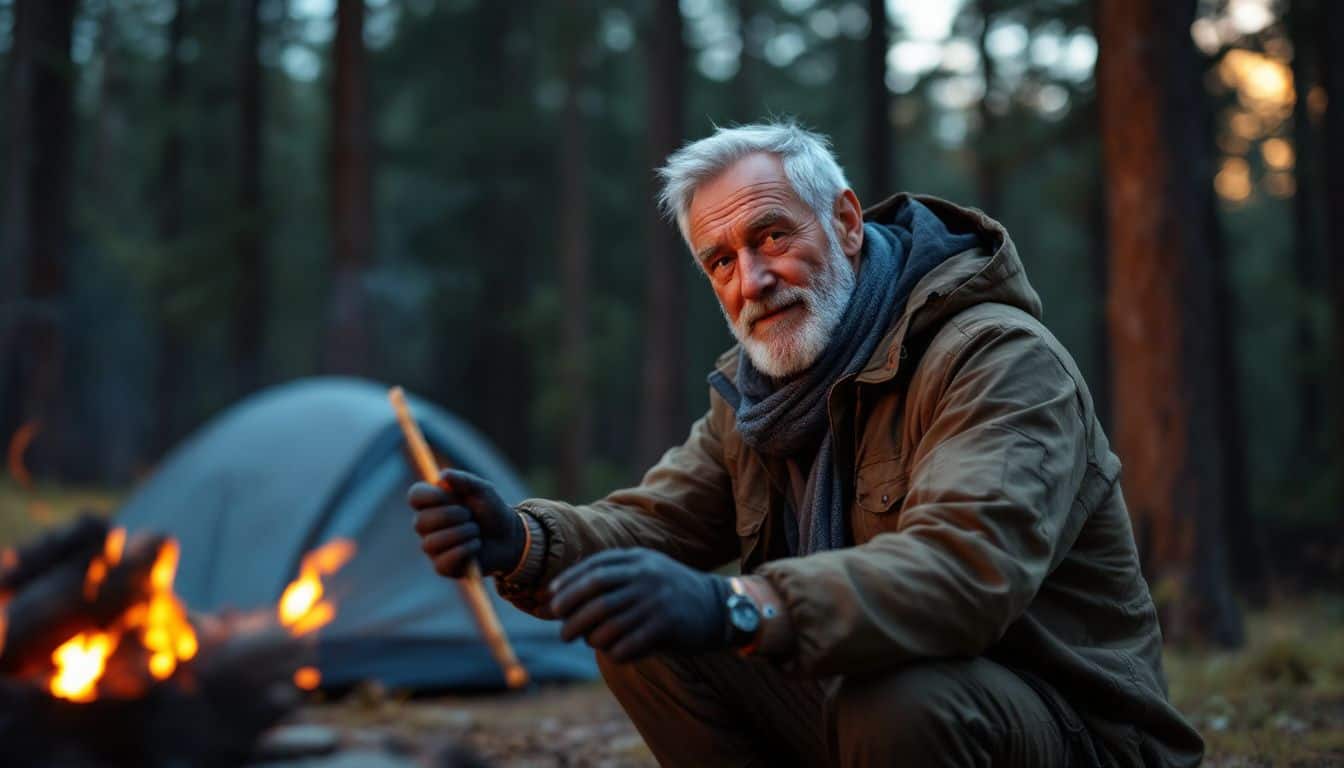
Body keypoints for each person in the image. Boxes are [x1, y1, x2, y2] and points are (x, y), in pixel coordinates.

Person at [407, 122, 1204, 767]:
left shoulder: (995, 358)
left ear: (848, 222)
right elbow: (655, 523)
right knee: (643, 637)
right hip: (874, 709)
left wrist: (739, 604)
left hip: (1072, 733)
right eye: (722, 260)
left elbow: (967, 570)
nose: (751, 280)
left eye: (772, 236)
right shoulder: (759, 397)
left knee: (896, 701)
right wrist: (520, 541)